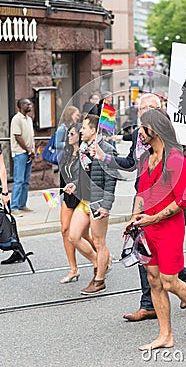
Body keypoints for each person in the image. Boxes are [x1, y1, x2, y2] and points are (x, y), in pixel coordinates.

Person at [91, 93, 186, 321]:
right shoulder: (140, 140)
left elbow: (180, 187)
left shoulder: (173, 143)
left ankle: (184, 294)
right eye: (141, 109)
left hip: (165, 204)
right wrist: (104, 158)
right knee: (144, 254)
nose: (143, 113)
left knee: (163, 264)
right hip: (142, 197)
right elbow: (130, 164)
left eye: (149, 109)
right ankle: (152, 302)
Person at [123, 109, 186, 350]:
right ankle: (165, 336)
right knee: (154, 280)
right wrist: (134, 220)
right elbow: (141, 193)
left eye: (143, 128)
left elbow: (181, 201)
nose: (139, 132)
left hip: (169, 228)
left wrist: (152, 219)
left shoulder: (175, 159)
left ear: (156, 130)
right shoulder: (145, 159)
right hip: (147, 229)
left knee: (170, 281)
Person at [67, 114, 117, 294]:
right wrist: (74, 184)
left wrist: (106, 205)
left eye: (84, 127)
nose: (81, 130)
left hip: (98, 202)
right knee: (73, 236)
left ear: (94, 130)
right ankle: (99, 263)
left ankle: (99, 280)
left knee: (99, 241)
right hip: (84, 199)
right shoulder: (83, 148)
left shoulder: (106, 149)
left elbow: (111, 179)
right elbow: (83, 173)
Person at [59, 122, 82, 284]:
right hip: (68, 195)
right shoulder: (67, 152)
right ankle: (73, 269)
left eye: (72, 134)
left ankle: (102, 258)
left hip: (81, 196)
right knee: (65, 229)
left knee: (85, 234)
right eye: (69, 134)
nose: (69, 136)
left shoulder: (85, 153)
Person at [10, 98, 35, 217]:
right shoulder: (16, 119)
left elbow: (31, 136)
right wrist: (28, 150)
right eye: (26, 104)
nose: (29, 105)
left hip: (28, 153)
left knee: (26, 181)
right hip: (20, 153)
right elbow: (18, 137)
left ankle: (22, 204)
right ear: (20, 106)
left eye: (30, 103)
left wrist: (33, 151)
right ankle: (14, 206)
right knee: (18, 180)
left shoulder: (29, 119)